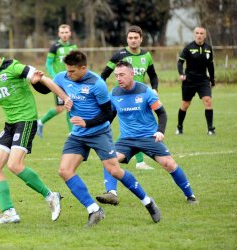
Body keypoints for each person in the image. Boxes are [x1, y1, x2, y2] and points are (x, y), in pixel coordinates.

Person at [0, 39, 73, 225]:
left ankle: (51, 196)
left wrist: (64, 97)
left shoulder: (14, 67)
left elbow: (43, 79)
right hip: (10, 124)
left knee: (15, 165)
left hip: (25, 121)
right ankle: (9, 212)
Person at [55, 50, 160, 227]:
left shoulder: (97, 84)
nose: (68, 74)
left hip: (99, 133)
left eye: (72, 71)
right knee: (64, 170)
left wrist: (86, 123)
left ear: (83, 68)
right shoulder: (62, 77)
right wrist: (39, 80)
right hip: (78, 135)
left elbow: (107, 113)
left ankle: (148, 201)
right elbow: (47, 86)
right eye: (67, 70)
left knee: (115, 171)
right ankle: (94, 210)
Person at [96, 61, 198, 206]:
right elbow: (109, 116)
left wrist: (160, 131)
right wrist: (99, 131)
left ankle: (190, 196)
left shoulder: (145, 91)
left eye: (122, 75)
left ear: (132, 74)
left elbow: (162, 113)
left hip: (148, 137)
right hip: (126, 139)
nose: (118, 78)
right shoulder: (114, 93)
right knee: (109, 160)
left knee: (169, 164)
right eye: (116, 75)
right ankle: (111, 193)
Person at [101, 25, 158, 171]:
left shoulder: (146, 56)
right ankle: (133, 159)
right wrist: (102, 92)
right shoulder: (119, 55)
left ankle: (135, 159)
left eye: (136, 38)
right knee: (130, 126)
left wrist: (155, 89)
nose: (133, 40)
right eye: (130, 38)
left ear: (141, 39)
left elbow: (153, 75)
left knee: (139, 126)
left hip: (142, 96)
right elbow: (104, 74)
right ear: (127, 39)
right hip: (124, 97)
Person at [37, 24, 78, 138]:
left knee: (69, 105)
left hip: (72, 81)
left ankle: (71, 132)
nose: (64, 35)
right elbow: (48, 64)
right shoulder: (55, 47)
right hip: (60, 83)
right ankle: (40, 122)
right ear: (59, 34)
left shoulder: (73, 47)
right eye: (62, 33)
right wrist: (56, 77)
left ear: (70, 33)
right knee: (62, 107)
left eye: (66, 32)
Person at [176, 26, 215, 135]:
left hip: (203, 80)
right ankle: (179, 127)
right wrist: (181, 74)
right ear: (194, 35)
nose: (199, 35)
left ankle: (210, 129)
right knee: (185, 105)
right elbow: (180, 62)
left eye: (202, 33)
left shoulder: (208, 48)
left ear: (205, 35)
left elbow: (210, 65)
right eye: (197, 33)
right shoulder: (188, 48)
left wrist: (212, 79)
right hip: (189, 81)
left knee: (208, 101)